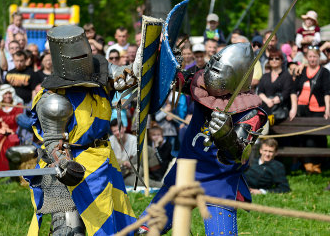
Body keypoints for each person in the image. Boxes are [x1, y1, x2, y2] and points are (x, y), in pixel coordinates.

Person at [139, 43, 267, 235]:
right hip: (184, 173)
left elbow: (239, 154)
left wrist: (225, 134)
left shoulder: (251, 112)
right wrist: (168, 62)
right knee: (145, 231)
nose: (212, 74)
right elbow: (175, 80)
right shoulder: (201, 87)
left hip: (218, 181)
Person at [28, 25, 137, 235]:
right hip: (71, 168)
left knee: (114, 224)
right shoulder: (52, 99)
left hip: (102, 162)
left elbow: (129, 76)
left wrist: (148, 58)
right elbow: (52, 141)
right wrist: (63, 163)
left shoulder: (100, 78)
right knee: (69, 229)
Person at [290, 46, 330, 174]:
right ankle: (307, 163)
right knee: (304, 136)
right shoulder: (301, 71)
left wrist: (328, 109)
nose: (312, 59)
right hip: (302, 108)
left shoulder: (324, 72)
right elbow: (294, 89)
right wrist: (294, 108)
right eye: (310, 57)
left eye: (315, 57)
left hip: (318, 108)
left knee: (318, 137)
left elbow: (327, 92)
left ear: (319, 58)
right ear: (307, 58)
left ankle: (318, 162)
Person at [0, 85, 23, 171]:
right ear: (1, 95)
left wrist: (4, 122)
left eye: (9, 93)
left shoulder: (18, 107)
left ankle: (11, 170)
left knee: (12, 141)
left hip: (14, 132)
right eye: (5, 94)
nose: (8, 96)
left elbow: (18, 121)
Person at [258, 50, 293, 124]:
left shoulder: (287, 76)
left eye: (277, 58)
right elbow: (260, 91)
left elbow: (286, 92)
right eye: (271, 58)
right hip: (265, 110)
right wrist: (268, 101)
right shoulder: (265, 76)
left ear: (281, 60)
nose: (274, 60)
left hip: (280, 111)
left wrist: (273, 101)